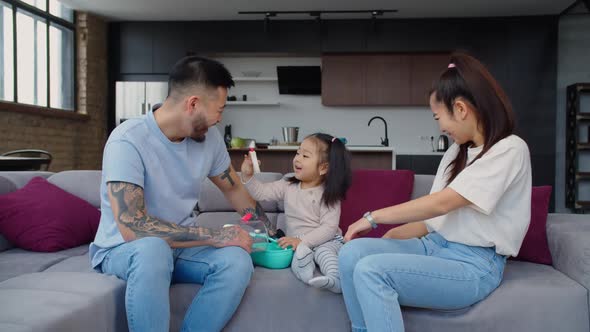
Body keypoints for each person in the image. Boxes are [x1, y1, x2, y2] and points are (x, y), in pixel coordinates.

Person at [338, 52, 532, 332]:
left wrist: (372, 218)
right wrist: (391, 239)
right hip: (434, 245)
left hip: (474, 264)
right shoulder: (457, 152)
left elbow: (441, 204)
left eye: (439, 117)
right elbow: (435, 220)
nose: (440, 126)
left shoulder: (510, 149)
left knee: (372, 271)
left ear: (461, 109)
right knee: (351, 254)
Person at [89, 56, 276, 332]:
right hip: (124, 249)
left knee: (237, 261)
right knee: (153, 249)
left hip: (178, 248)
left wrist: (272, 235)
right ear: (192, 104)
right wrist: (217, 236)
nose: (220, 119)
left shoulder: (210, 141)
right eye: (219, 110)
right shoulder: (127, 140)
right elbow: (133, 228)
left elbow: (234, 188)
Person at [241, 133, 352, 293]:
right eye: (298, 152)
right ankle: (309, 279)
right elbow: (261, 193)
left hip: (326, 240)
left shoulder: (328, 194)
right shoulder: (288, 184)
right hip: (297, 244)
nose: (297, 159)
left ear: (323, 168)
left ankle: (334, 279)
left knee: (324, 253)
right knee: (297, 258)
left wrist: (303, 241)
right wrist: (247, 176)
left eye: (305, 155)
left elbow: (329, 228)